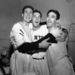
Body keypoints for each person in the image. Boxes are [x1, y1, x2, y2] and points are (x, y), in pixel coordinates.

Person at [10, 6, 54, 75]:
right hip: (19, 59)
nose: (28, 14)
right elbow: (22, 47)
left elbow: (39, 24)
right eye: (26, 12)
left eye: (30, 13)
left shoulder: (30, 26)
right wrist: (40, 44)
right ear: (22, 14)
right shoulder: (17, 26)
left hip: (30, 60)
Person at [46, 9, 75, 75]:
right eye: (48, 16)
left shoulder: (60, 32)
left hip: (62, 68)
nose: (49, 18)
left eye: (52, 16)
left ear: (57, 20)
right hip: (52, 69)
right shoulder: (46, 31)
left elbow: (62, 36)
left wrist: (64, 32)